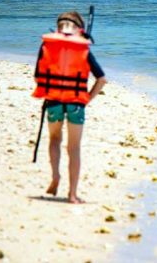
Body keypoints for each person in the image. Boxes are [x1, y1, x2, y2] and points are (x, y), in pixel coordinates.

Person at [32, 11, 107, 204]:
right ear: (79, 30)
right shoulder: (83, 48)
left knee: (55, 139)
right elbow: (102, 79)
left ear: (58, 27)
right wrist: (87, 99)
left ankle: (55, 176)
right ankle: (72, 194)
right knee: (74, 148)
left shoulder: (48, 45)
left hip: (54, 101)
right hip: (76, 104)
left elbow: (37, 76)